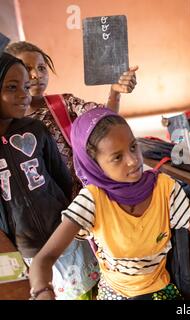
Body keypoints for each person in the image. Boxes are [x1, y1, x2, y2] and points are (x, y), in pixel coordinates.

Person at [28, 107, 190, 300]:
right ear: (95, 166)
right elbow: (44, 259)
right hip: (115, 294)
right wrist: (42, 291)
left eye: (133, 146)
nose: (133, 160)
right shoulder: (93, 201)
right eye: (117, 157)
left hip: (160, 292)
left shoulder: (164, 189)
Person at [0, 52, 98, 299]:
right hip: (23, 248)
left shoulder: (35, 129)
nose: (25, 94)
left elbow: (61, 177)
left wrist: (65, 216)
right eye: (12, 87)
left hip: (64, 234)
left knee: (87, 293)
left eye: (25, 86)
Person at [5, 41, 138, 198]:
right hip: (43, 207)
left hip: (82, 196)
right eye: (27, 68)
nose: (37, 75)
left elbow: (102, 118)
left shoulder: (64, 103)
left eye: (41, 68)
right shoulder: (7, 122)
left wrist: (114, 93)